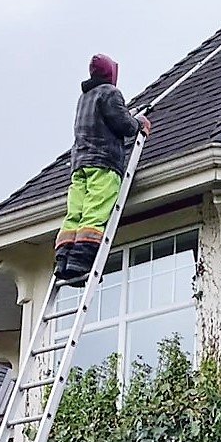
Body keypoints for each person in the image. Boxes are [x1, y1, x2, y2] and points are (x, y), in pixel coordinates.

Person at [56, 53, 152, 285]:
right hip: (103, 164)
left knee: (75, 213)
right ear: (111, 74)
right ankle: (81, 262)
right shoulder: (110, 93)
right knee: (95, 213)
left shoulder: (84, 98)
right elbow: (125, 126)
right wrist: (139, 122)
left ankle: (63, 260)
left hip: (79, 166)